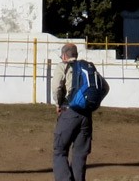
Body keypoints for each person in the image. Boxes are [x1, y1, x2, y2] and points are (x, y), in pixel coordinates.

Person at [52, 42, 91, 181]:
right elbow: (104, 87)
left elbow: (56, 86)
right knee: (80, 154)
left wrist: (58, 103)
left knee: (60, 151)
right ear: (76, 55)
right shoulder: (87, 67)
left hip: (69, 111)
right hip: (86, 115)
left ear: (63, 55)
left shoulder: (63, 66)